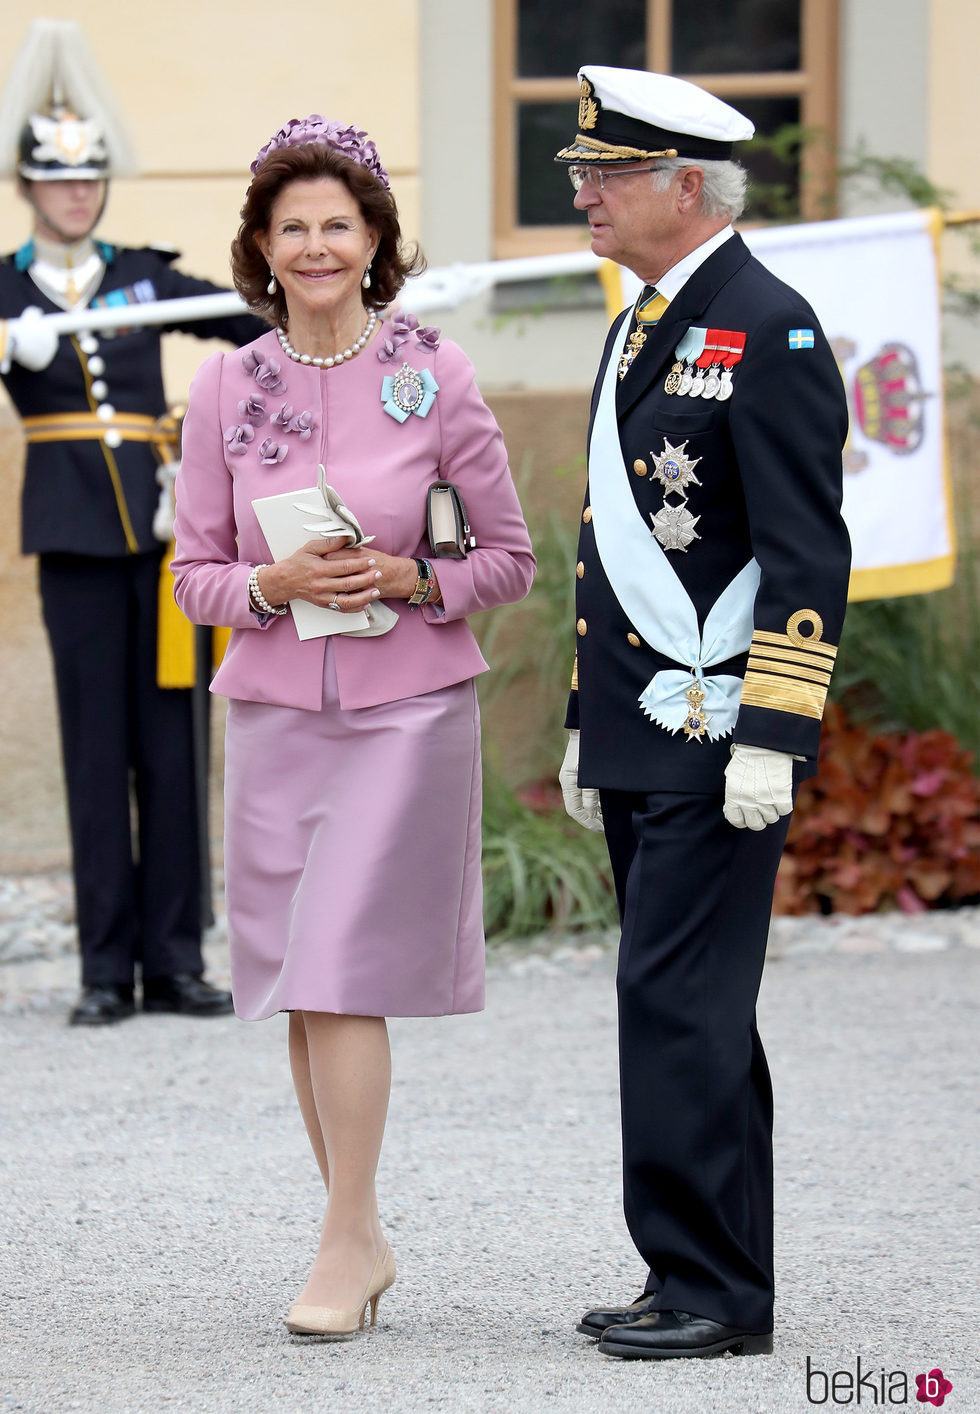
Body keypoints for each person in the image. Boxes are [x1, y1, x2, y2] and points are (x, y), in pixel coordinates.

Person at [171, 114, 535, 1340]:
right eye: (293, 228)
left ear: (375, 238)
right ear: (261, 249)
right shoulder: (224, 383)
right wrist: (271, 589)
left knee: (338, 967)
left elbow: (508, 558)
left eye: (339, 223)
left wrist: (405, 577)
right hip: (275, 718)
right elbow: (194, 576)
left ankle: (342, 1237)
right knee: (296, 983)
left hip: (404, 715)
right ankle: (362, 1231)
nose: (317, 245)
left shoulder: (436, 371)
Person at [554, 68, 851, 1360]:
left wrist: (776, 733)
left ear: (687, 185)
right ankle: (702, 1265)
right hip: (645, 725)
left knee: (681, 1001)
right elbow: (611, 543)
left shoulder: (767, 323)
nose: (582, 192)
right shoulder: (650, 318)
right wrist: (584, 719)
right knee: (685, 1003)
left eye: (607, 174)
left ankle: (714, 1287)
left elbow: (805, 553)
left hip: (721, 733)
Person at [0, 21, 264, 1026]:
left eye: (90, 179)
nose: (78, 194)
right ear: (29, 186)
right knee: (92, 750)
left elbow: (252, 318)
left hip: (165, 542)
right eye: (59, 182)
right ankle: (105, 970)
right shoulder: (7, 288)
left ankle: (175, 958)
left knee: (174, 744)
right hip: (71, 540)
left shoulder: (144, 277)